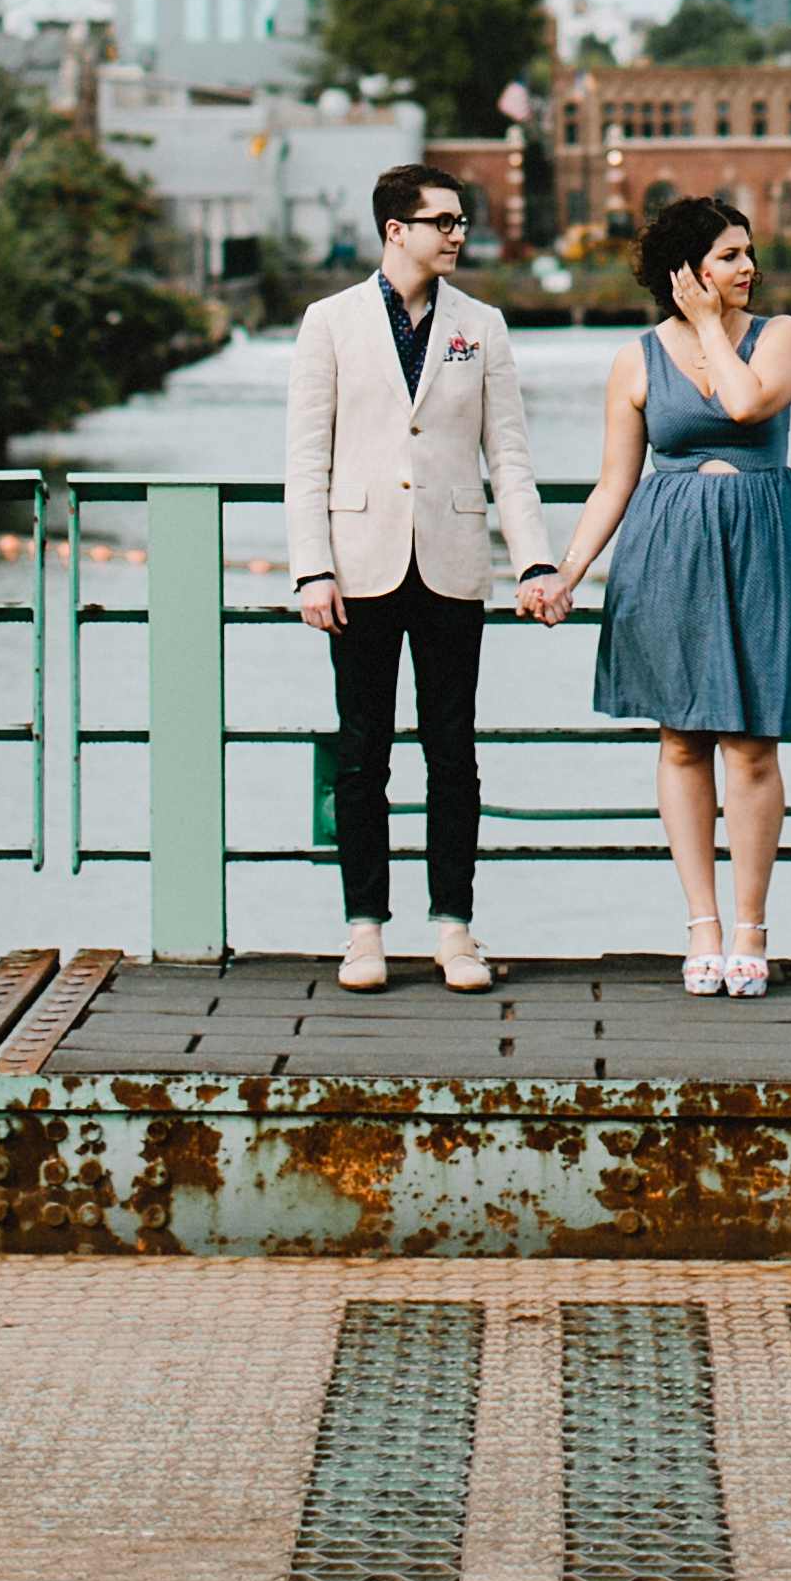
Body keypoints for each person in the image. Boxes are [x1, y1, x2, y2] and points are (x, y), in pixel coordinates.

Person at [526, 195, 791, 998]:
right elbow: (614, 481)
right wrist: (567, 569)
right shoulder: (635, 359)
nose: (748, 267)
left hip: (764, 544)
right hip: (669, 551)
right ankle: (700, 924)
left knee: (753, 743)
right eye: (731, 255)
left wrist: (707, 328)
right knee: (679, 740)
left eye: (748, 253)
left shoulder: (782, 336)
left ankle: (750, 928)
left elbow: (743, 404)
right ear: (687, 269)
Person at [285, 163, 556, 992]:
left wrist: (536, 557)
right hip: (358, 565)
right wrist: (310, 570)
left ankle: (454, 929)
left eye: (462, 220)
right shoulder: (328, 323)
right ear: (395, 231)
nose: (458, 233)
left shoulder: (483, 324)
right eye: (442, 221)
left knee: (453, 753)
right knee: (362, 754)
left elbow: (506, 455)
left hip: (453, 560)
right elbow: (306, 457)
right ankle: (363, 932)